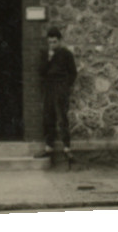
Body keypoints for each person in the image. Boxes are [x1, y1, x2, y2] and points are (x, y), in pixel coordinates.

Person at [39, 26, 76, 160]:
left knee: (62, 118)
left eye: (54, 42)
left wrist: (65, 87)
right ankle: (49, 148)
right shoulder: (45, 54)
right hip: (49, 87)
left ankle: (67, 148)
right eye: (50, 42)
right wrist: (48, 60)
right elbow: (41, 72)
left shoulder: (66, 54)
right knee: (48, 117)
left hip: (61, 87)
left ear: (59, 41)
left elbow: (73, 73)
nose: (52, 45)